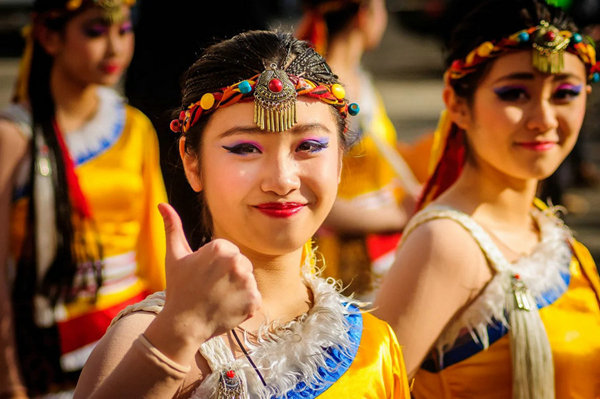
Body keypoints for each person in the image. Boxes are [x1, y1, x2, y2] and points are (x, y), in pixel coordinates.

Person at [73, 29, 411, 398]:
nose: (281, 180)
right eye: (246, 148)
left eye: (309, 146)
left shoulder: (374, 345)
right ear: (192, 163)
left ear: (340, 159)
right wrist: (177, 338)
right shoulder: (147, 341)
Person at [374, 0, 600, 397]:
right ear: (457, 104)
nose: (544, 118)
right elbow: (371, 388)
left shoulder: (543, 224)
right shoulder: (446, 244)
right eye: (515, 93)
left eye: (565, 93)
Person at [0, 0, 167, 397]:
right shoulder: (14, 137)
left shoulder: (135, 126)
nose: (115, 48)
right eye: (95, 32)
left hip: (133, 330)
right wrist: (8, 378)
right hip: (47, 349)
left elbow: (156, 241)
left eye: (124, 31)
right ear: (48, 36)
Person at [296, 0, 430, 301]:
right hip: (344, 265)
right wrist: (397, 216)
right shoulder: (324, 93)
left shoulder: (354, 79)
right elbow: (309, 193)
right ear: (363, 14)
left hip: (380, 251)